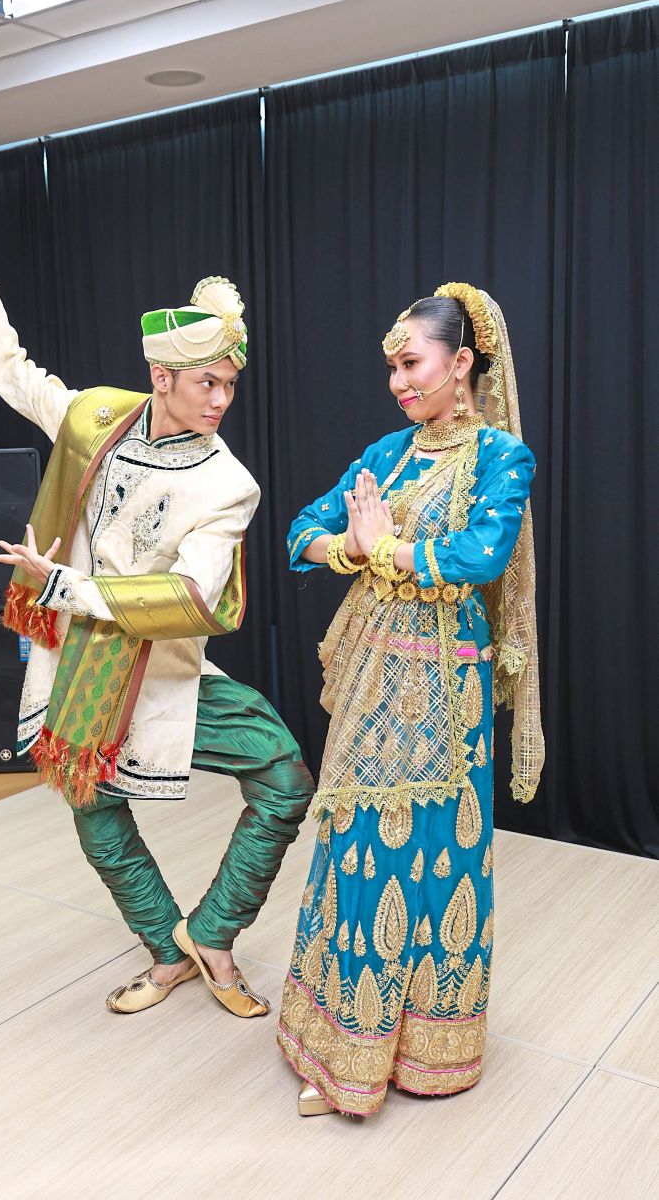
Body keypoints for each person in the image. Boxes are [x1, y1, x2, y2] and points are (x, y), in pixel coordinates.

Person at [0, 172, 315, 1018]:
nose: (222, 400)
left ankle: (209, 935)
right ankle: (162, 948)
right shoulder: (99, 418)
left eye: (230, 385)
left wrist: (66, 584)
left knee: (283, 777)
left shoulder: (228, 484)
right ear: (161, 375)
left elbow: (191, 597)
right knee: (92, 805)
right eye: (207, 382)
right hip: (77, 664)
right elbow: (12, 372)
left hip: (165, 673)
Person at [276, 283, 544, 1115]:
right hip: (373, 681)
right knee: (355, 841)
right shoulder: (386, 453)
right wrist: (348, 551)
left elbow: (480, 556)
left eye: (410, 363)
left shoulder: (502, 457)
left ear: (460, 363)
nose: (397, 381)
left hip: (447, 682)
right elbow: (298, 535)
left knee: (435, 851)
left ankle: (426, 1049)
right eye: (390, 366)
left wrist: (384, 544)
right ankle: (342, 1046)